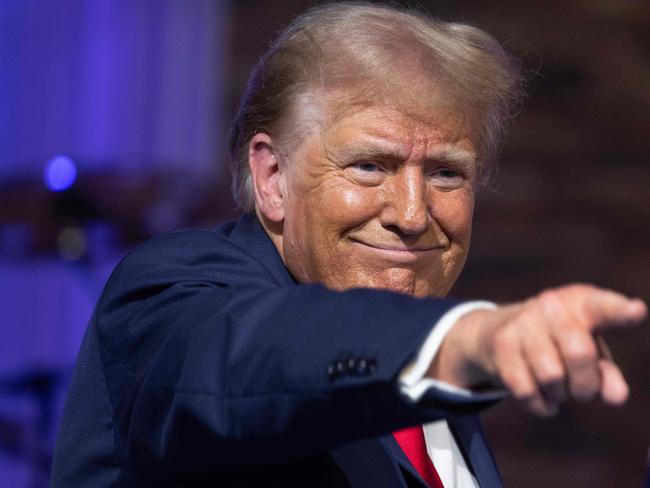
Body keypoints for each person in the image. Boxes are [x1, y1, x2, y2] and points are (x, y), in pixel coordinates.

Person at [51, 2, 646, 487]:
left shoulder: (435, 382)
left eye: (446, 173)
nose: (414, 215)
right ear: (273, 179)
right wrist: (462, 339)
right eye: (368, 166)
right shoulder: (174, 290)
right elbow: (246, 357)